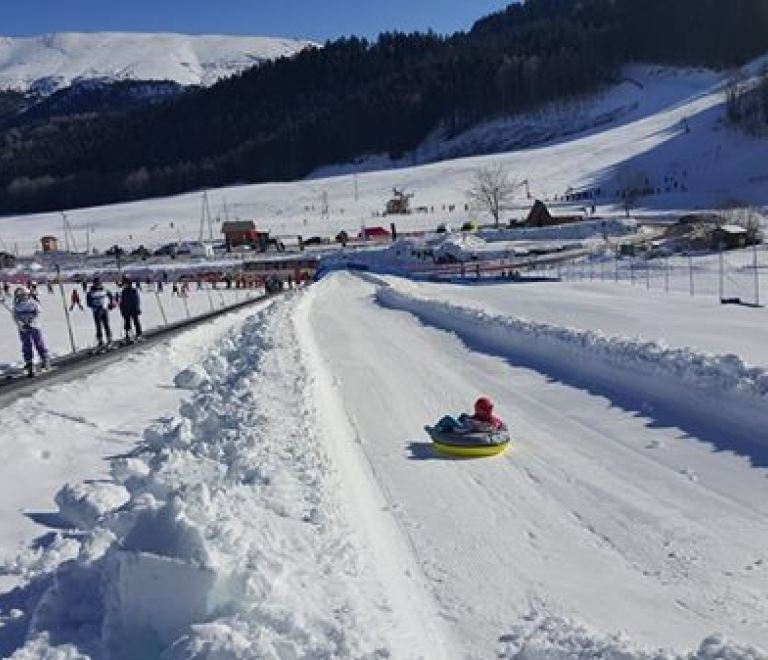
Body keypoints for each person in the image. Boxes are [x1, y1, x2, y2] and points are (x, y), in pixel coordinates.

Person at [13, 287, 50, 375]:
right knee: (26, 345)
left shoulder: (33, 303)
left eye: (23, 295)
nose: (21, 297)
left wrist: (31, 322)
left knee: (39, 343)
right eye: (19, 295)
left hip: (34, 327)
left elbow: (38, 313)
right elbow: (15, 318)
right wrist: (21, 324)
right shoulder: (17, 306)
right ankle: (29, 362)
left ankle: (45, 359)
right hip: (23, 329)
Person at [436, 397, 505, 434]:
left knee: (448, 418)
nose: (476, 410)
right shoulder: (482, 416)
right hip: (469, 426)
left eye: (478, 409)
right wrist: (469, 419)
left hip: (465, 429)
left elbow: (492, 426)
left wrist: (473, 421)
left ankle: (436, 429)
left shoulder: (490, 421)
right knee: (463, 415)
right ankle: (447, 428)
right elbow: (474, 418)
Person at [86, 277, 114, 348]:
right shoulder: (90, 292)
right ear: (94, 284)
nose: (98, 285)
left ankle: (109, 339)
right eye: (96, 283)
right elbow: (88, 303)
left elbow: (111, 296)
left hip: (104, 310)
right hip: (97, 311)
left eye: (99, 283)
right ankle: (100, 340)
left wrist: (111, 303)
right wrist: (94, 306)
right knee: (98, 326)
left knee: (106, 325)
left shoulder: (105, 290)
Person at [119, 277, 142, 343]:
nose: (125, 285)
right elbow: (122, 302)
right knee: (127, 323)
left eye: (126, 284)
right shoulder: (124, 291)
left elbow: (137, 301)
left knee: (136, 321)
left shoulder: (134, 291)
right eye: (124, 284)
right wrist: (122, 309)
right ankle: (128, 336)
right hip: (126, 310)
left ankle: (139, 334)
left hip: (134, 309)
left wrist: (137, 308)